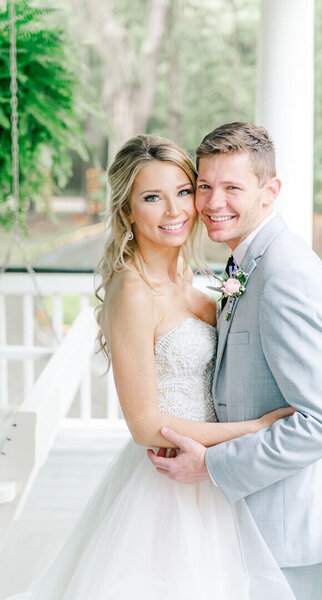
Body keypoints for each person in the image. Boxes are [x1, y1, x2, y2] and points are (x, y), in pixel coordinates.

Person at [5, 134, 295, 600]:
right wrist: (253, 428)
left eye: (183, 192)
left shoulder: (189, 277)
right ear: (127, 210)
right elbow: (145, 425)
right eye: (152, 198)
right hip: (169, 488)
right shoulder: (133, 291)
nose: (175, 211)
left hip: (212, 475)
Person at [148, 122, 322, 600]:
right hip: (254, 524)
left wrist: (214, 465)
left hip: (288, 536)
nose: (214, 202)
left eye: (233, 187)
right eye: (205, 186)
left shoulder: (285, 274)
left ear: (270, 190)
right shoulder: (246, 262)